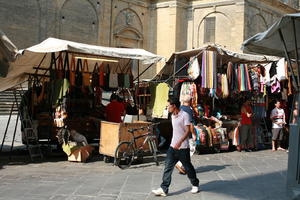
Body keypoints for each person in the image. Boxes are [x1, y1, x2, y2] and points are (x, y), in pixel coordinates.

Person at [152, 99, 199, 196]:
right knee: (168, 167)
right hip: (173, 147)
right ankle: (164, 188)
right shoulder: (172, 115)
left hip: (183, 148)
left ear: (174, 106)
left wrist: (180, 142)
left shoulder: (184, 115)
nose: (167, 107)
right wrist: (174, 142)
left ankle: (195, 184)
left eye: (168, 106)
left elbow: (187, 131)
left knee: (188, 167)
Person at [175, 96, 197, 174]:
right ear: (190, 101)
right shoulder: (189, 110)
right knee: (191, 149)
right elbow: (191, 124)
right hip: (187, 133)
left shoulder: (180, 108)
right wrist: (194, 134)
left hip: (179, 132)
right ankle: (179, 163)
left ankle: (184, 168)